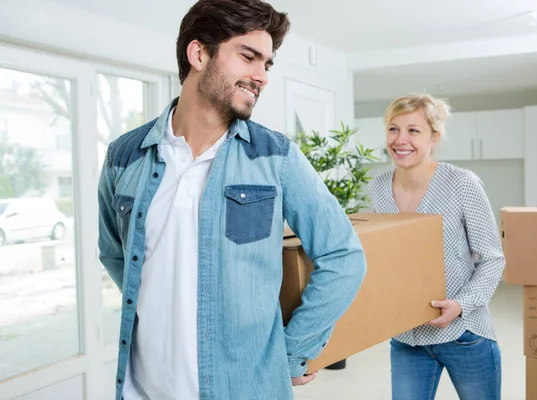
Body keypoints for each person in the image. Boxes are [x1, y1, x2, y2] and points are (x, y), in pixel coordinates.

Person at [97, 1, 367, 399]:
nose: (261, 77)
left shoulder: (275, 157)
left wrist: (292, 353)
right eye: (248, 57)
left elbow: (343, 256)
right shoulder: (125, 156)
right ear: (199, 54)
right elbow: (115, 254)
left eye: (267, 64)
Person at [367, 93, 505, 400]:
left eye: (413, 130)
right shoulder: (378, 187)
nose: (400, 139)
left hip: (464, 333)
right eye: (393, 129)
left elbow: (493, 258)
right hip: (406, 337)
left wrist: (461, 305)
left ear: (434, 136)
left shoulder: (461, 183)